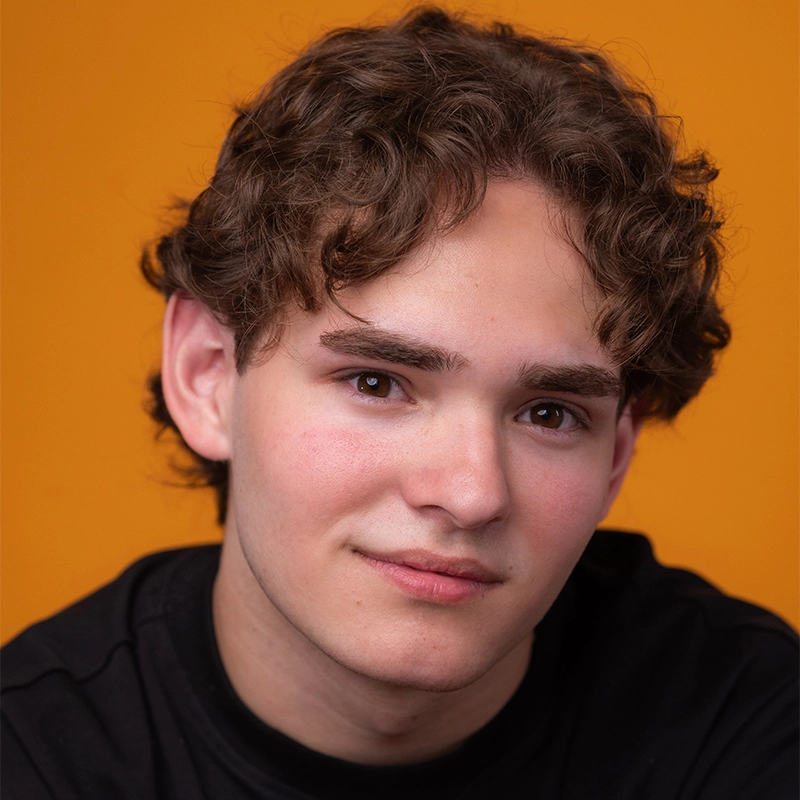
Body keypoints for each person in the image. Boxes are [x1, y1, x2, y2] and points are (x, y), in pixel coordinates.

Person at [2, 7, 797, 798]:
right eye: (378, 383)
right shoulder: (33, 755)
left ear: (617, 450)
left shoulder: (749, 723)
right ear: (208, 374)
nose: (470, 493)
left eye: (549, 412)